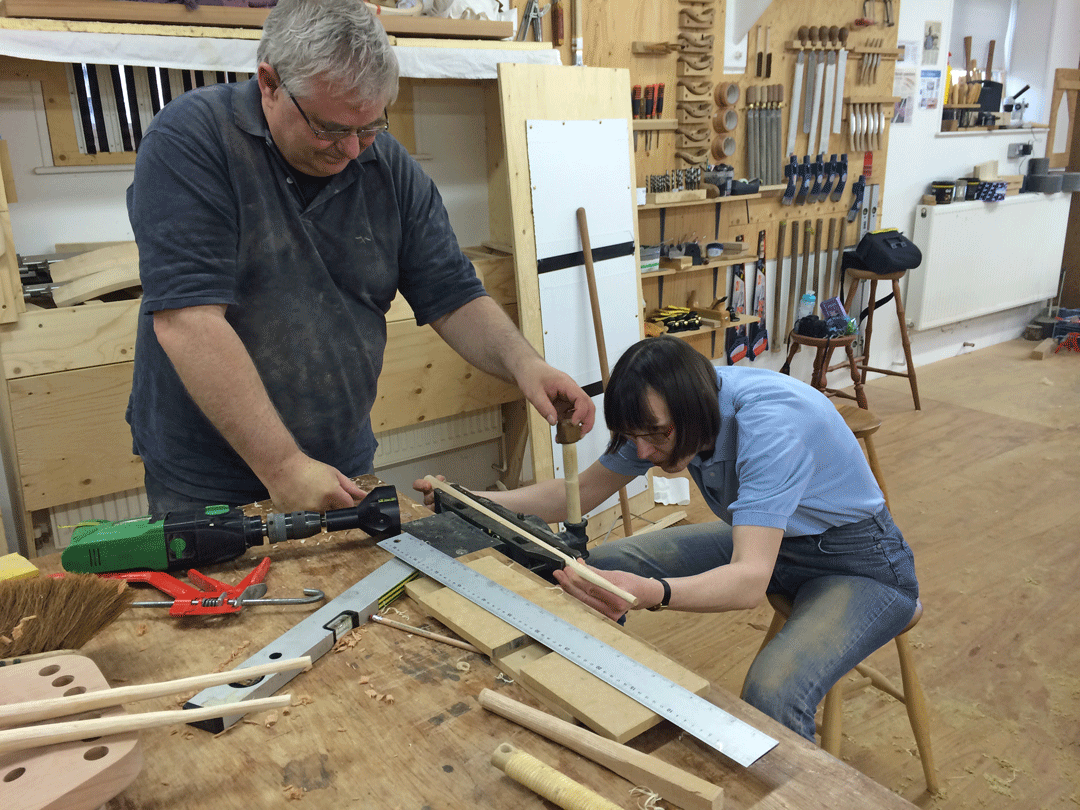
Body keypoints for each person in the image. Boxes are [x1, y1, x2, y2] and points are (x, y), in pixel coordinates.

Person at [126, 0, 592, 515]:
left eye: (369, 127)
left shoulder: (386, 167)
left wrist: (526, 365)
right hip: (206, 478)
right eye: (329, 130)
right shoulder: (192, 141)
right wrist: (282, 466)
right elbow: (187, 322)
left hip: (338, 463)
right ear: (270, 84)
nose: (352, 150)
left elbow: (454, 295)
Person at [415, 336, 918, 742]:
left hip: (859, 565)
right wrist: (464, 498)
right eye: (635, 438)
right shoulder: (664, 415)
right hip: (773, 544)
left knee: (773, 693)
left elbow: (746, 584)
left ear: (696, 412)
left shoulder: (773, 428)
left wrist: (652, 592)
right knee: (592, 568)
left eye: (655, 437)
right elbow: (582, 492)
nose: (643, 452)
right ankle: (589, 714)